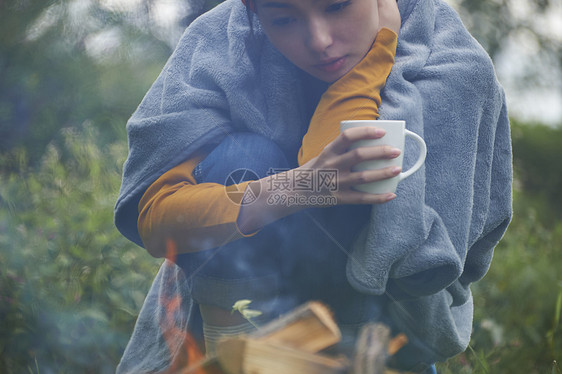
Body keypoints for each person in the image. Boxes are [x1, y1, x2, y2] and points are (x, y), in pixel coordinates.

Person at [114, 0, 513, 372]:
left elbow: (392, 246)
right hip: (230, 308)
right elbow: (157, 219)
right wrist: (296, 188)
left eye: (337, 6)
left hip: (380, 325)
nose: (320, 41)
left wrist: (370, 63)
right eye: (284, 20)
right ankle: (233, 358)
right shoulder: (219, 44)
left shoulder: (452, 66)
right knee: (244, 158)